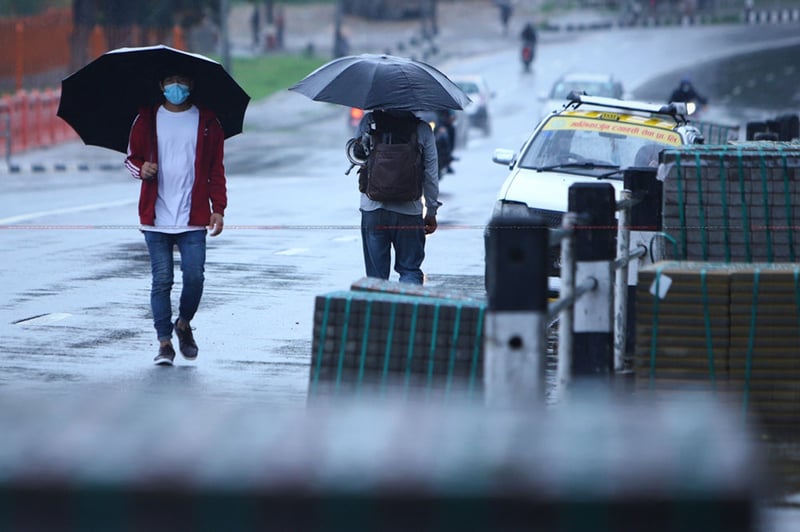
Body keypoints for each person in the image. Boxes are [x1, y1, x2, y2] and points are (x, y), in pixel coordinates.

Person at [126, 71, 227, 366]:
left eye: (182, 80)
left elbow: (216, 170)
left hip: (193, 217)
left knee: (195, 277)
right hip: (155, 217)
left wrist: (218, 207)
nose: (176, 86)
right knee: (162, 280)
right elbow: (131, 159)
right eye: (170, 80)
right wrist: (141, 168)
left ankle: (183, 324)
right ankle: (164, 343)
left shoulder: (208, 122)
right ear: (161, 85)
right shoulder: (145, 118)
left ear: (192, 85)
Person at [356, 109, 441, 285]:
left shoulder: (369, 122)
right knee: (410, 269)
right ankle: (408, 311)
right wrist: (431, 210)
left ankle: (378, 311)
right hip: (408, 212)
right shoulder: (423, 130)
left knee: (375, 279)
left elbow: (356, 157)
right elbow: (431, 174)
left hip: (373, 209)